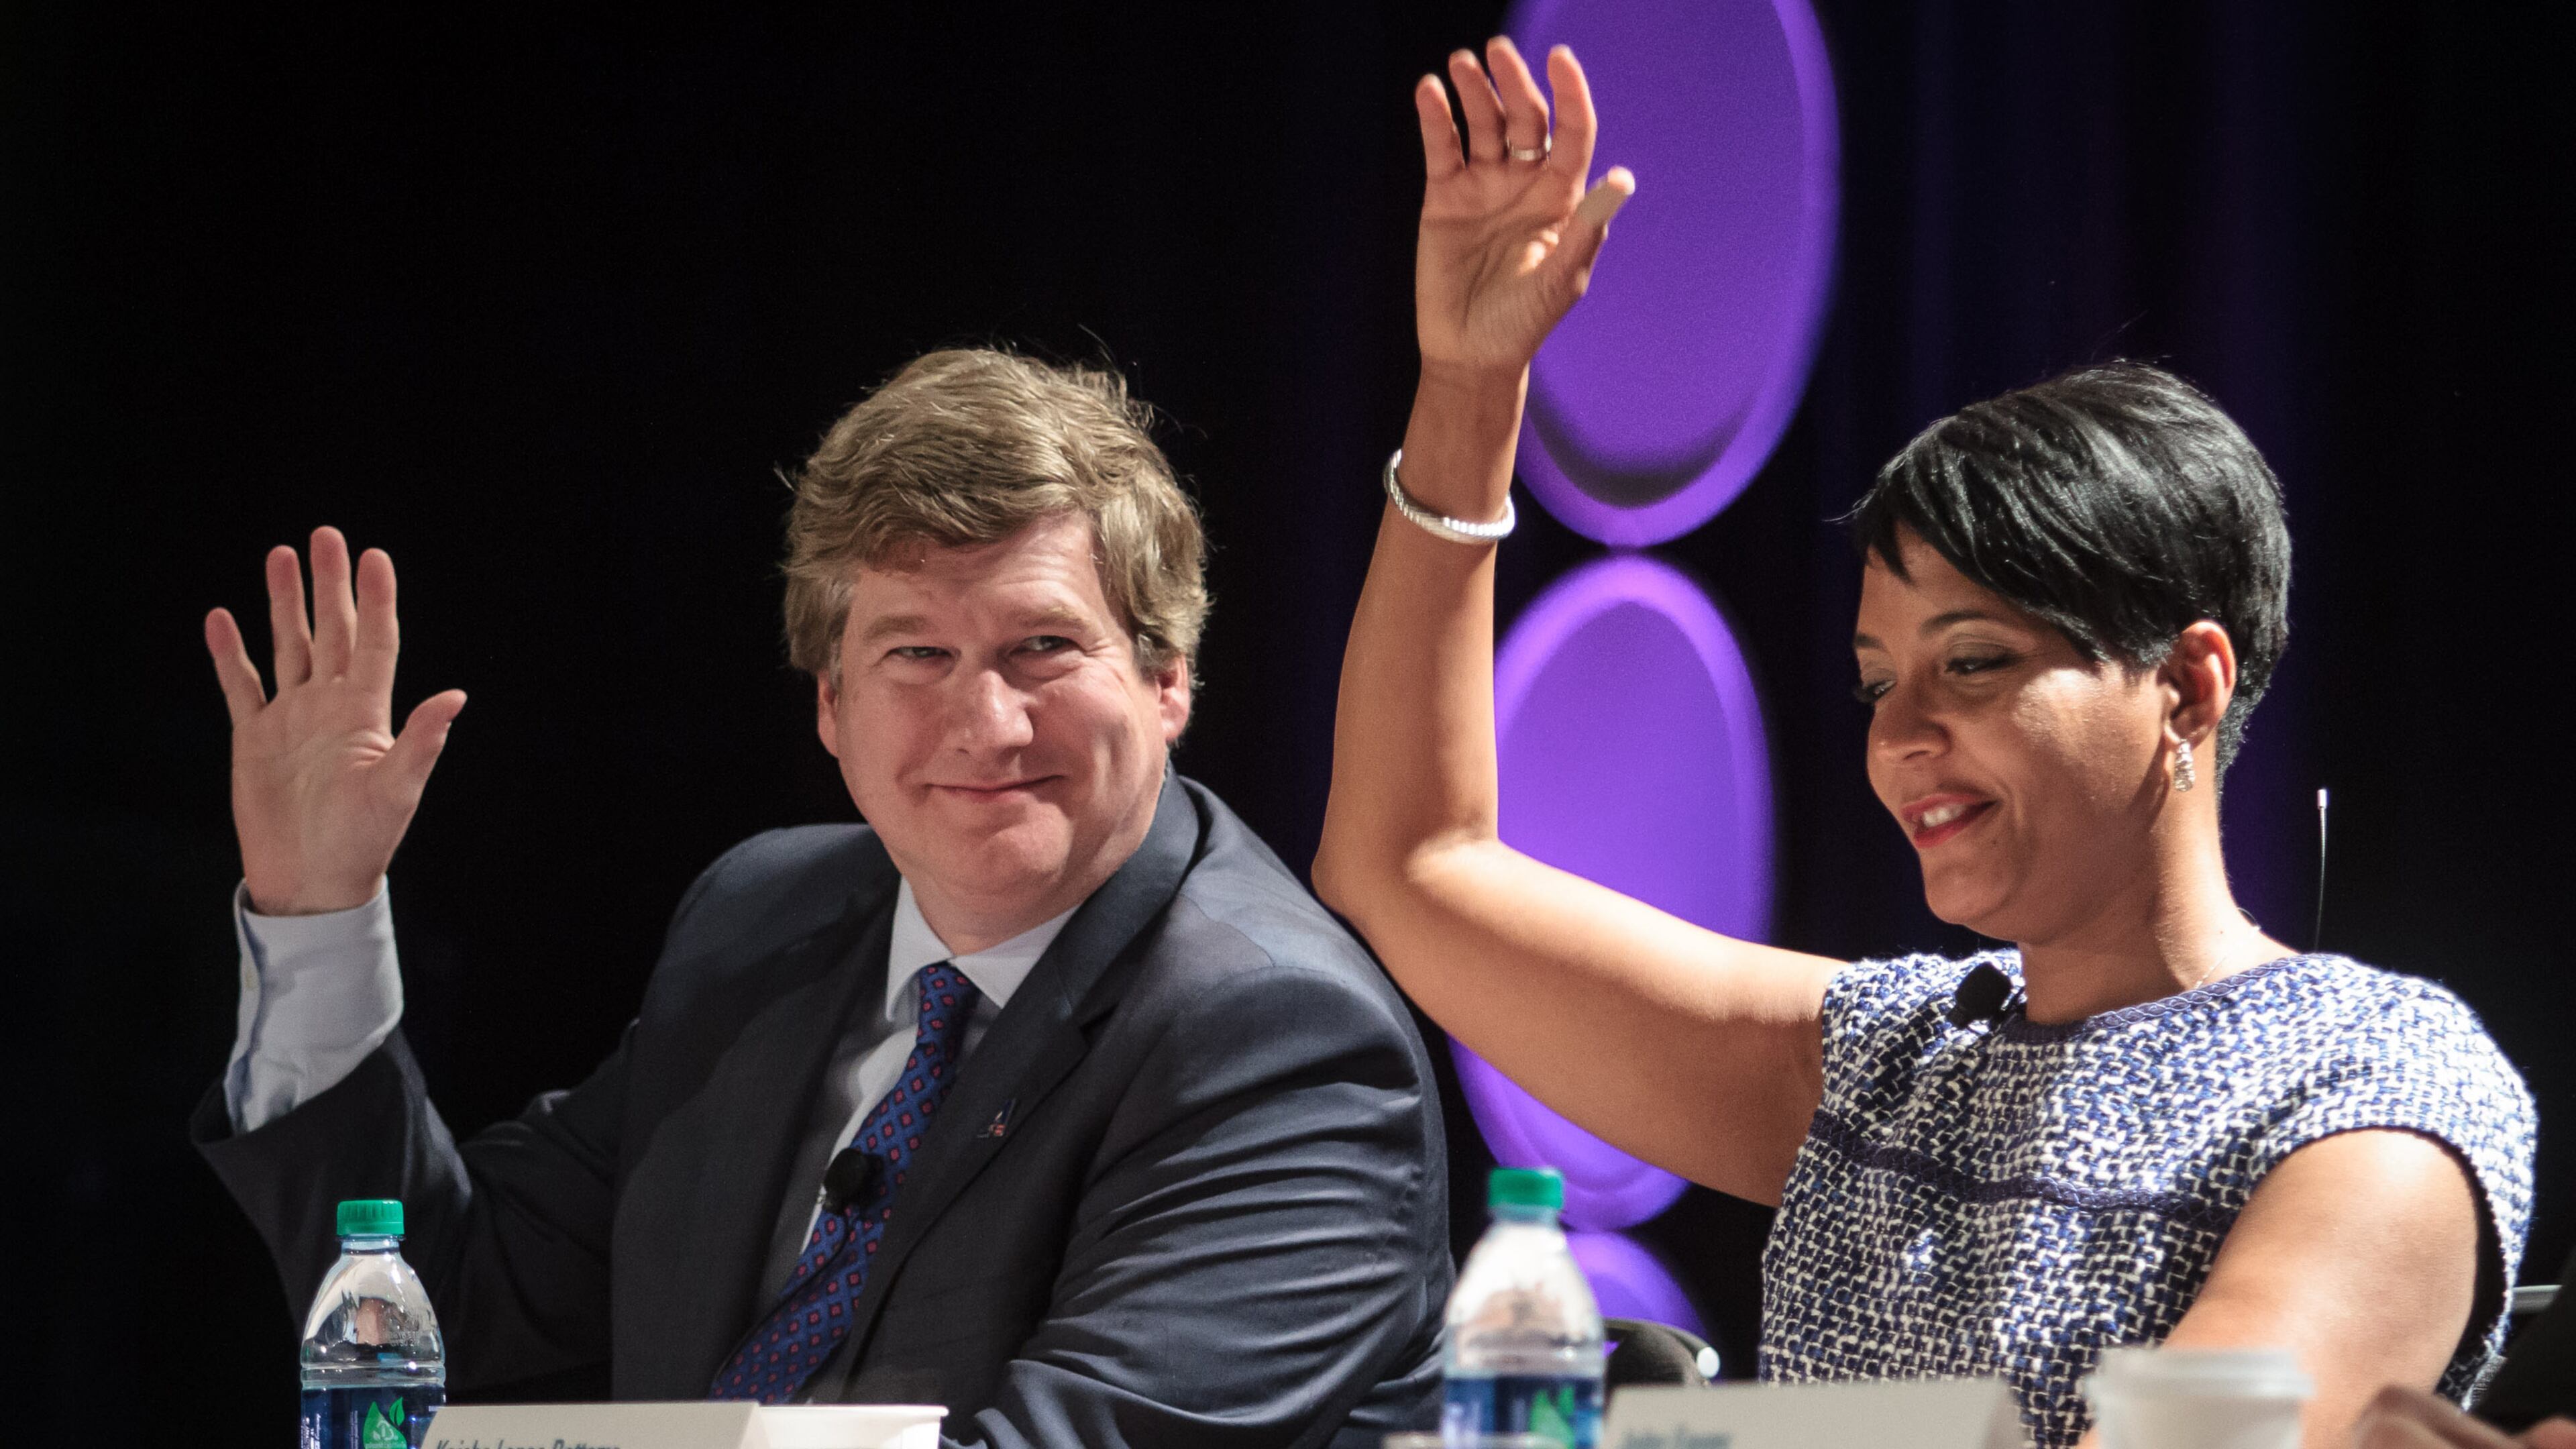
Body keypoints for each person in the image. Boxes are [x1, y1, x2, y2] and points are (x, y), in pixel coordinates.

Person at [1311, 36, 2536, 1449]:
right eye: (1877, 681)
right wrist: (1469, 392)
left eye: (1974, 664)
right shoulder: (1892, 1059)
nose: (1902, 738)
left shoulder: (2375, 1075)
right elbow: (1410, 862)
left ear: (2189, 688)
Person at [191, 349, 1452, 1448]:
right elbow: (451, 1310)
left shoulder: (1282, 1043)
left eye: (1044, 648)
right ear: (831, 708)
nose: (986, 721)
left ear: (1168, 678)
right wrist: (317, 906)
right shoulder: (766, 917)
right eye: (917, 653)